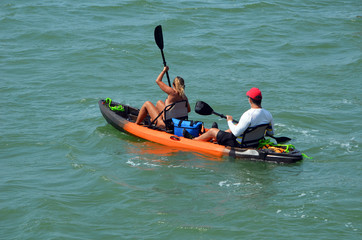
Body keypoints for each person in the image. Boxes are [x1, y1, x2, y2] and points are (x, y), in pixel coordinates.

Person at [184, 87, 274, 147]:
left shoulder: (248, 115)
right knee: (235, 127)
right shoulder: (268, 114)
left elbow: (235, 133)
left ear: (250, 100)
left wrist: (229, 121)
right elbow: (271, 133)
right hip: (255, 143)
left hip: (239, 144)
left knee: (212, 131)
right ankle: (216, 136)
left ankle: (194, 140)